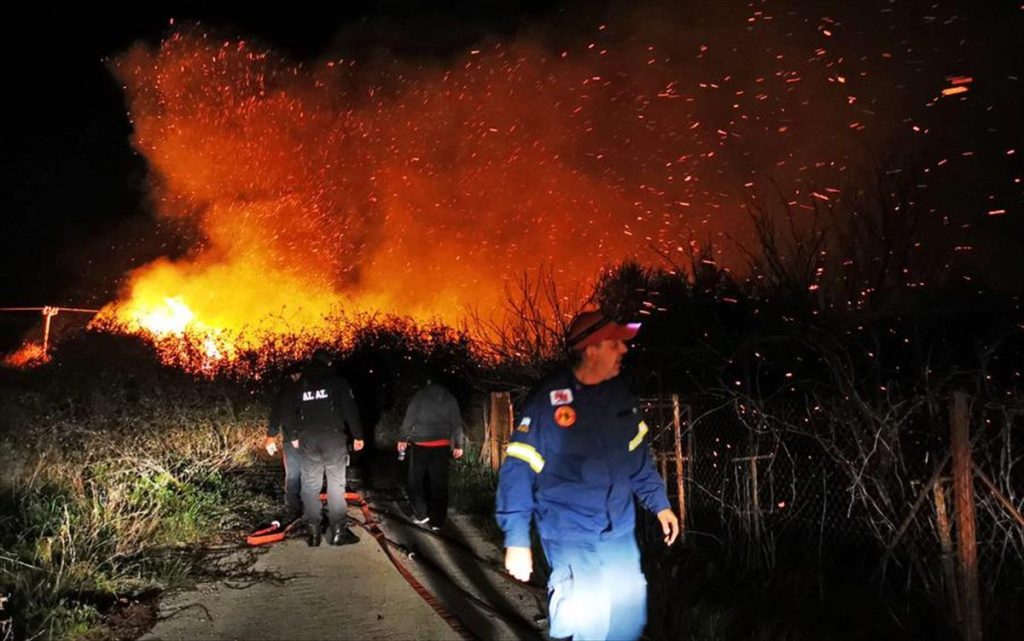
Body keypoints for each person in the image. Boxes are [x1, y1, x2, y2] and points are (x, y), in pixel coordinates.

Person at [496, 310, 680, 641]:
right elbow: (518, 470)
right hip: (571, 534)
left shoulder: (620, 397)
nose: (624, 350)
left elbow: (637, 458)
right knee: (588, 623)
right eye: (615, 344)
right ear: (591, 349)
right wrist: (517, 539)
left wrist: (660, 504)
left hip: (619, 532)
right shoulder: (549, 403)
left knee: (626, 621)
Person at [286, 350, 365, 547]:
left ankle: (313, 533)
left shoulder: (300, 384)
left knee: (310, 484)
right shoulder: (337, 382)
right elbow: (350, 410)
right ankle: (338, 531)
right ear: (328, 363)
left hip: (308, 439)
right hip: (333, 438)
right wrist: (358, 436)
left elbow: (289, 411)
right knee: (336, 483)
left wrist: (294, 436)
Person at [397, 377, 466, 530]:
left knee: (415, 480)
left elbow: (409, 419)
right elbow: (456, 424)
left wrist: (402, 438)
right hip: (442, 445)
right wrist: (459, 444)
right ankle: (437, 521)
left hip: (421, 445)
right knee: (440, 483)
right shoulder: (450, 398)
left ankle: (421, 514)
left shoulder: (420, 396)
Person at [264, 365, 303, 522]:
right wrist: (272, 436)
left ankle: (294, 510)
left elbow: (276, 414)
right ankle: (299, 510)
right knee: (301, 475)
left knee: (294, 475)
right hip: (302, 439)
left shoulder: (287, 390)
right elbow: (279, 413)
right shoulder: (293, 390)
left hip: (294, 439)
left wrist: (271, 436)